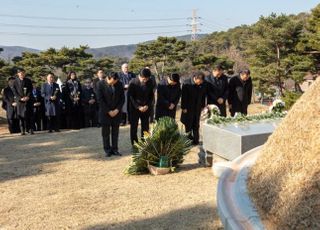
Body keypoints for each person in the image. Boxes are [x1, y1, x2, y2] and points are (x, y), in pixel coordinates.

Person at [97, 72, 124, 157]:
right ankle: (107, 150)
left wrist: (117, 110)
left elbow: (122, 99)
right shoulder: (100, 84)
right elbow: (100, 100)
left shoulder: (119, 84)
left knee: (115, 132)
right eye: (112, 82)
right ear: (108, 78)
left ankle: (115, 149)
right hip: (105, 113)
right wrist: (109, 111)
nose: (114, 83)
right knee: (105, 133)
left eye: (115, 82)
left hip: (116, 112)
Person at [128, 68, 154, 145]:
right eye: (144, 79)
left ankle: (145, 143)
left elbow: (151, 96)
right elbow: (131, 97)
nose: (145, 80)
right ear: (140, 76)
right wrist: (138, 106)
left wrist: (147, 105)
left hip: (146, 108)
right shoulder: (133, 82)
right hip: (134, 108)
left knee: (145, 127)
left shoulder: (150, 82)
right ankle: (135, 144)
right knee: (134, 128)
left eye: (147, 79)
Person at [180, 71, 207, 145]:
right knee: (188, 124)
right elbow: (183, 97)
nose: (200, 83)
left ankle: (196, 140)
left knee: (196, 124)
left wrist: (202, 106)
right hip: (188, 108)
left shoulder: (202, 84)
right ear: (195, 78)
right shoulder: (187, 83)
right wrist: (184, 107)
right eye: (200, 81)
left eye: (202, 81)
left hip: (197, 107)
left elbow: (203, 96)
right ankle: (188, 140)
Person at [12, 68, 34, 135]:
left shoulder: (28, 80)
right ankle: (22, 130)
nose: (22, 74)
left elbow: (31, 89)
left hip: (28, 100)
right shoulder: (15, 82)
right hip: (20, 101)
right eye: (21, 73)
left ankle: (30, 129)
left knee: (29, 115)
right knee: (21, 116)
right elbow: (14, 91)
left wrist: (27, 96)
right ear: (18, 74)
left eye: (23, 73)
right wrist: (20, 98)